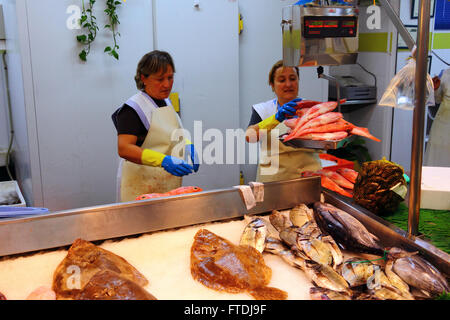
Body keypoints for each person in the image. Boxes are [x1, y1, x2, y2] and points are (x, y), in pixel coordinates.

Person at [112, 50, 199, 202]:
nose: (167, 84)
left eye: (170, 77)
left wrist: (188, 145)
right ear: (143, 78)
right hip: (140, 187)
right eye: (160, 79)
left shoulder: (165, 101)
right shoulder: (133, 109)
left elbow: (174, 130)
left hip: (166, 185)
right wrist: (164, 161)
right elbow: (124, 148)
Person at [245, 60, 321, 182]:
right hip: (273, 180)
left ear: (298, 81)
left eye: (292, 79)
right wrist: (276, 118)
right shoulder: (263, 110)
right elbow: (250, 137)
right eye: (281, 80)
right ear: (272, 84)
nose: (288, 84)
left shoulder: (313, 109)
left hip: (309, 177)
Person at [425, 68, 450, 167]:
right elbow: (438, 99)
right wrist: (435, 89)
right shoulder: (445, 73)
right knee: (437, 159)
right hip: (442, 125)